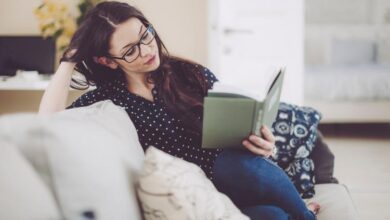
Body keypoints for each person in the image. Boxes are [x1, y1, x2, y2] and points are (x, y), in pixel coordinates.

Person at [38, 2, 320, 219]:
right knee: (275, 216)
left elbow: (235, 118)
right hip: (192, 196)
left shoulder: (190, 73)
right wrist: (69, 59)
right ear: (108, 61)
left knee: (235, 163)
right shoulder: (107, 100)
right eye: (130, 50)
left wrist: (263, 144)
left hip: (235, 174)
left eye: (145, 35)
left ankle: (305, 215)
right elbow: (46, 125)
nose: (147, 49)